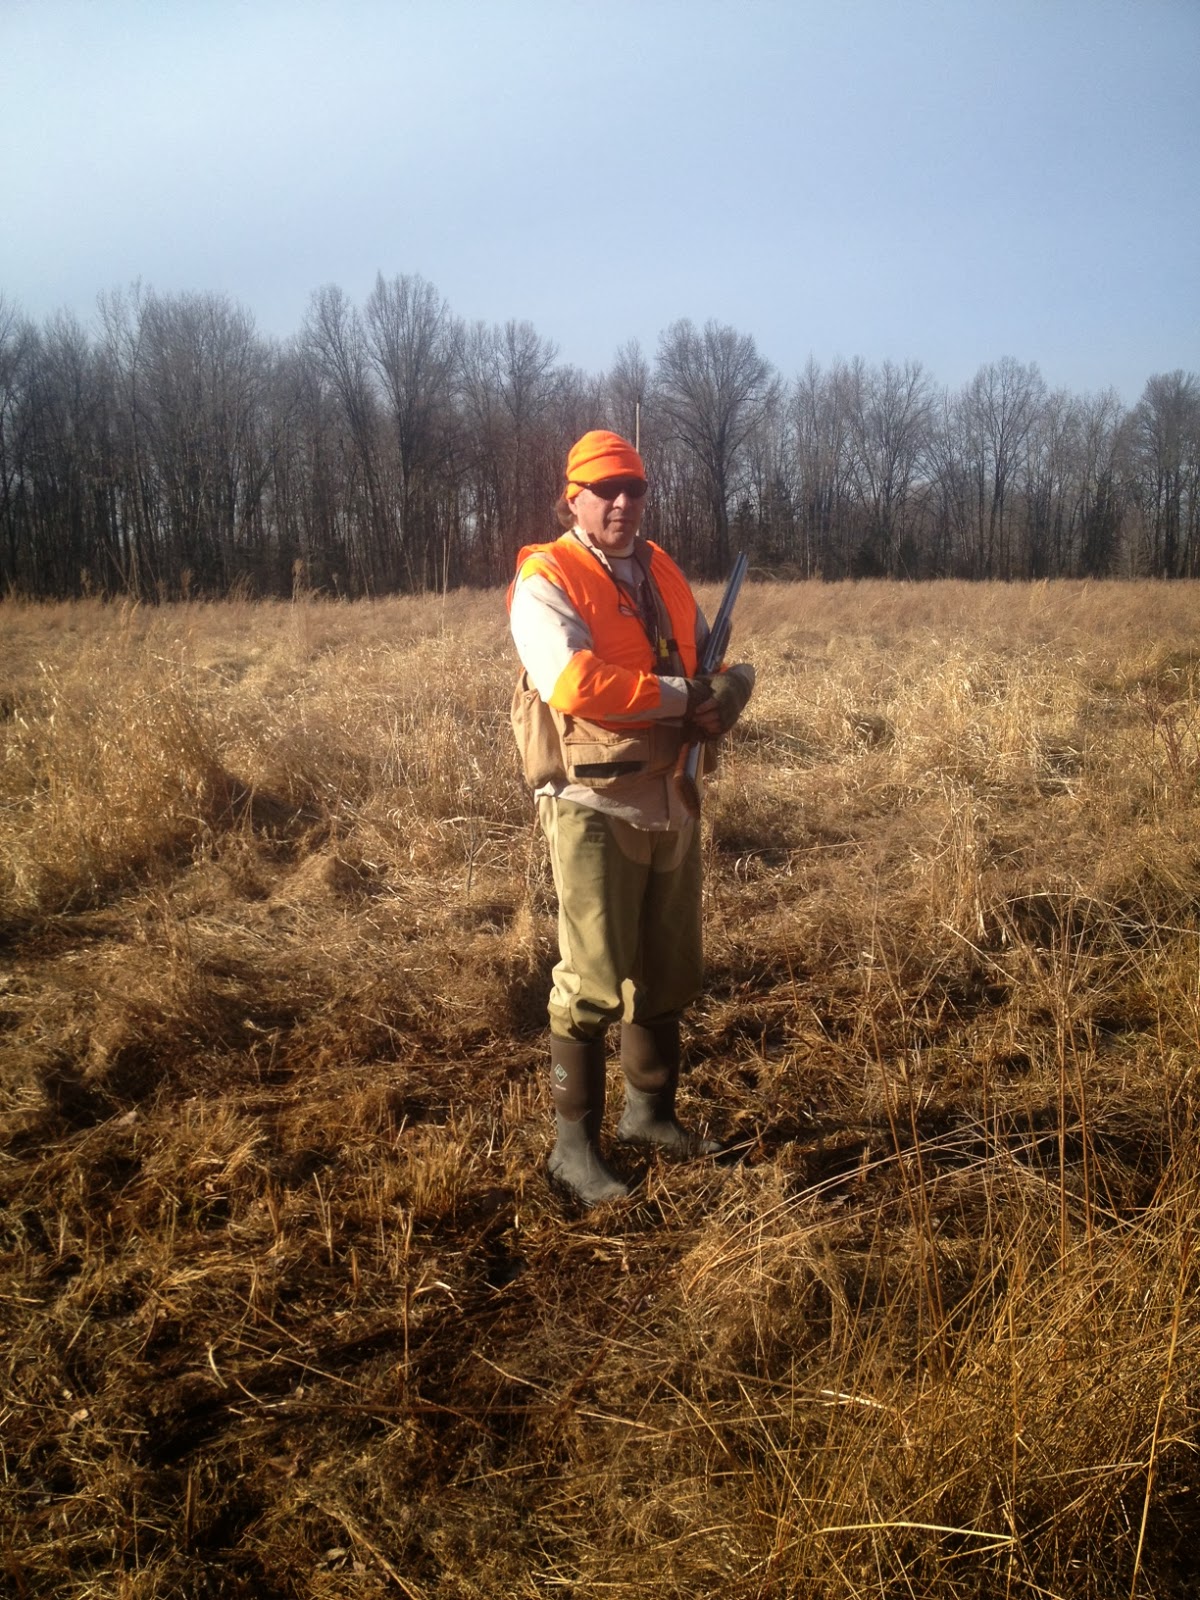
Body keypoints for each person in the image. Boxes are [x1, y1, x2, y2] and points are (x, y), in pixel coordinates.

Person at [507, 429, 755, 1206]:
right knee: (589, 981)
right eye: (604, 489)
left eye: (633, 489)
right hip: (593, 805)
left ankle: (651, 1116)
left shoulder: (662, 569)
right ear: (571, 496)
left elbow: (696, 663)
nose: (621, 502)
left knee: (667, 971)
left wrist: (729, 689)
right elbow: (573, 681)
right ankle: (571, 1151)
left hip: (671, 796)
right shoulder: (547, 578)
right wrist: (687, 699)